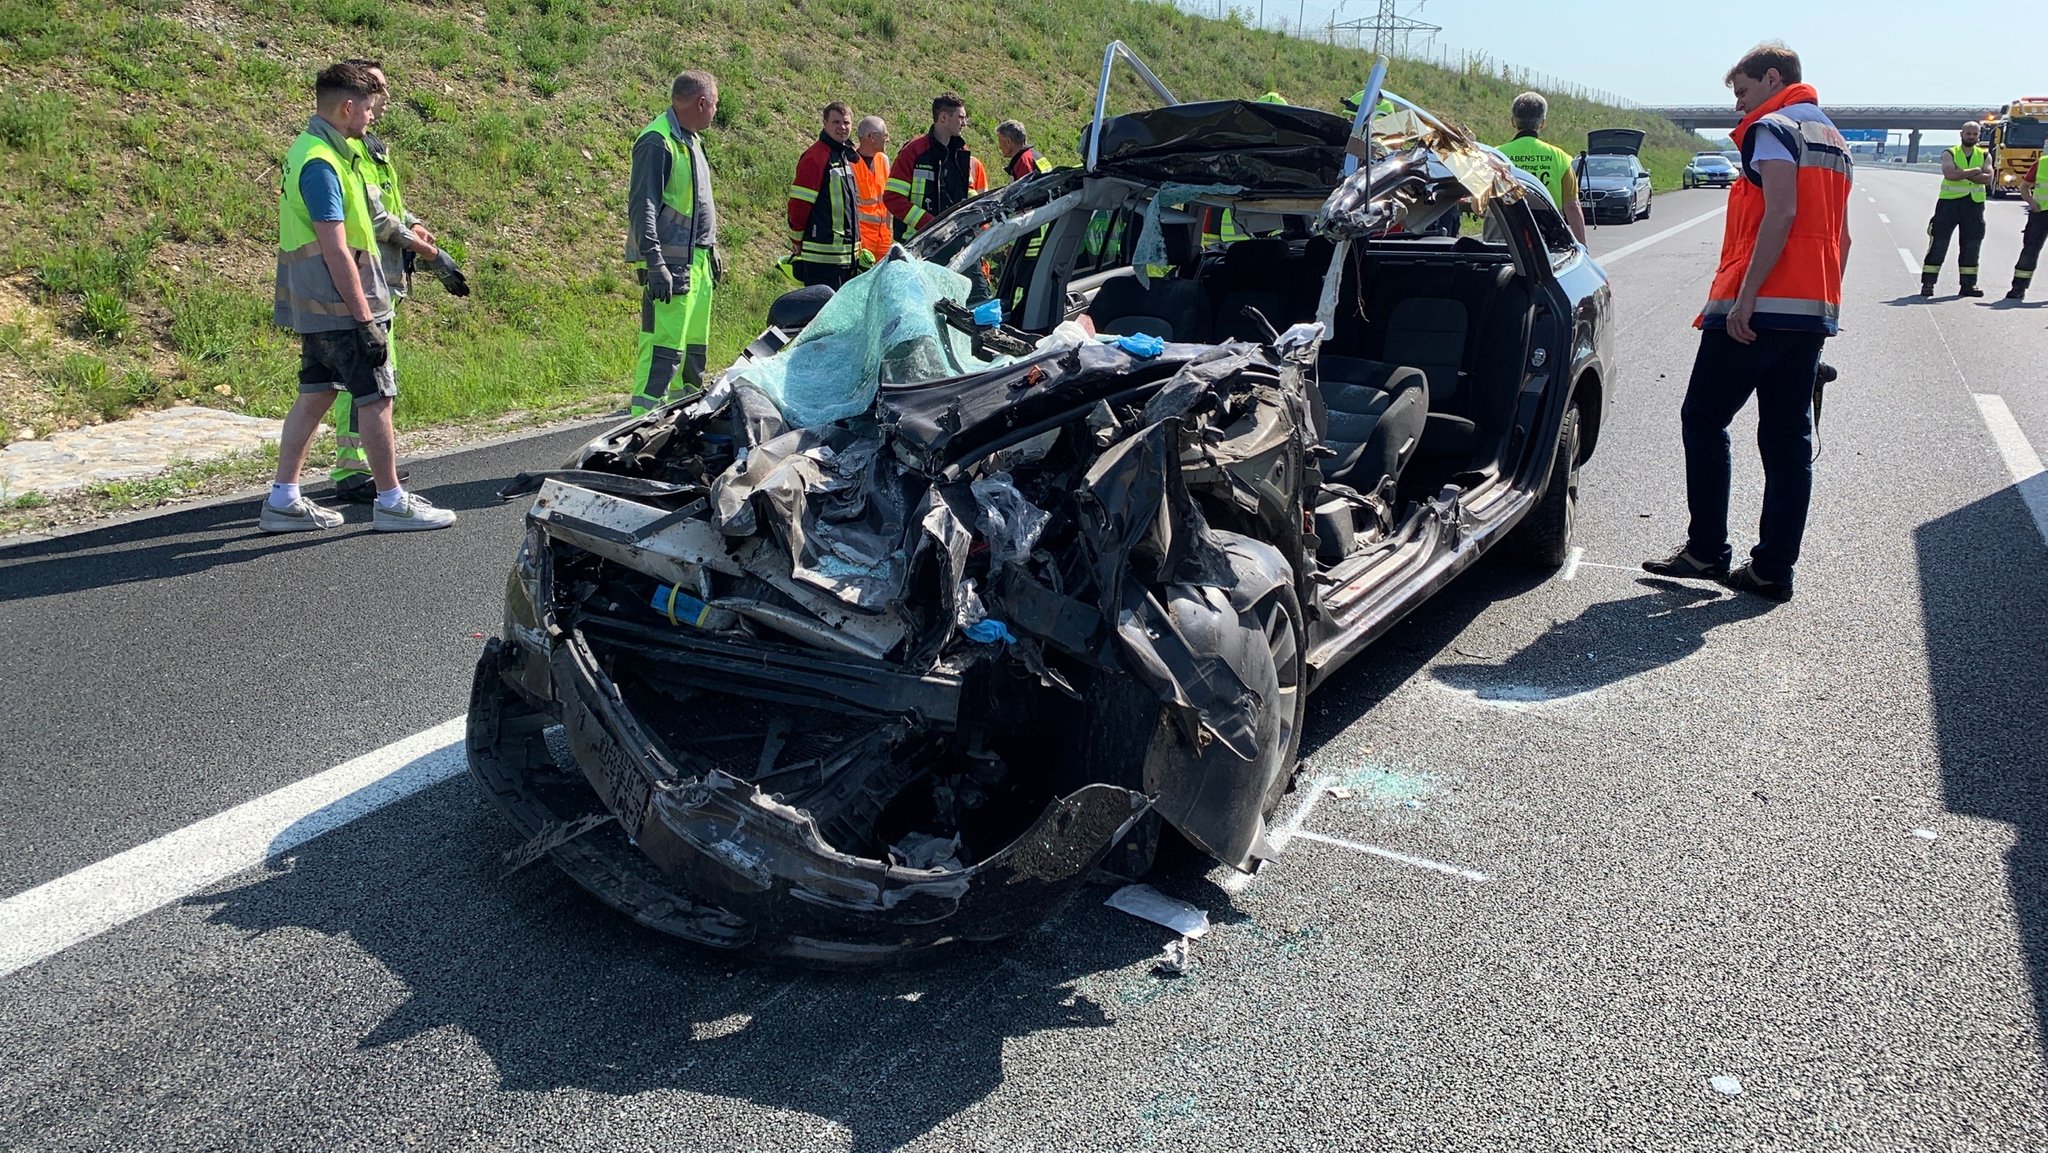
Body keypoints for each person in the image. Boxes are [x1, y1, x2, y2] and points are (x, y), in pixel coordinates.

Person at [1642, 41, 1851, 602]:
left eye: (1742, 92)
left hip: (1760, 307)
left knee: (1704, 418)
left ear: (1773, 78)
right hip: (1810, 311)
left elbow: (1780, 212)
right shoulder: (1832, 138)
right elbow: (1841, 236)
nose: (1738, 107)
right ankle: (1771, 570)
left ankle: (1707, 550)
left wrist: (1746, 298)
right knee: (1787, 441)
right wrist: (1826, 309)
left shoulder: (1775, 129)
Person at [260, 61, 454, 533]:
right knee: (375, 397)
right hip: (343, 303)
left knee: (317, 393)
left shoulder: (315, 150)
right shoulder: (323, 164)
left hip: (317, 303)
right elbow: (336, 246)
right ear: (348, 106)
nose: (373, 116)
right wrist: (365, 316)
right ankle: (391, 501)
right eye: (368, 107)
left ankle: (283, 498)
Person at [326, 59, 470, 504]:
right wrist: (425, 250)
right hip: (368, 275)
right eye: (374, 88)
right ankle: (352, 472)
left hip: (386, 275)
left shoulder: (372, 146)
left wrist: (417, 224)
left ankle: (365, 466)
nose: (382, 97)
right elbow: (374, 217)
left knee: (372, 377)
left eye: (382, 87)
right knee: (365, 380)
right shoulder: (349, 150)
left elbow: (392, 205)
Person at [626, 70, 721, 416]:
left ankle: (681, 424)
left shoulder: (691, 140)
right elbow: (643, 206)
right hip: (670, 268)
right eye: (714, 103)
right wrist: (655, 263)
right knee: (663, 352)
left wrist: (711, 249)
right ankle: (641, 427)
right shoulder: (658, 140)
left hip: (696, 264)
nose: (715, 110)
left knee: (692, 353)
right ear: (701, 102)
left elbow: (694, 204)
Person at [884, 93, 987, 240]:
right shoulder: (914, 151)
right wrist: (931, 225)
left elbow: (967, 190)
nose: (965, 123)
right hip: (917, 242)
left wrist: (979, 211)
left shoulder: (961, 151)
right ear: (944, 117)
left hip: (953, 239)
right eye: (961, 118)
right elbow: (893, 198)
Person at [1494, 91, 1587, 245]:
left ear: (1513, 121)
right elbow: (1572, 206)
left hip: (1502, 232)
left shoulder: (1495, 156)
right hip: (1547, 234)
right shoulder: (1559, 157)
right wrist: (1583, 247)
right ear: (1542, 123)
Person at [786, 101, 862, 289]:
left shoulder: (844, 155)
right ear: (824, 123)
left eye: (846, 122)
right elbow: (799, 205)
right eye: (836, 122)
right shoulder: (816, 157)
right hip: (823, 259)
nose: (842, 127)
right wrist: (797, 239)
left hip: (847, 258)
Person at [1921, 120, 1993, 298]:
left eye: (1975, 134)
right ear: (1961, 134)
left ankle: (1968, 285)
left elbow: (1988, 178)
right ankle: (1928, 284)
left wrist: (1964, 172)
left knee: (1971, 245)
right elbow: (1950, 175)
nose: (1971, 137)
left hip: (1974, 205)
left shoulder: (1985, 155)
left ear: (1978, 136)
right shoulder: (1950, 153)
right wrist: (1975, 171)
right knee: (1939, 243)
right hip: (1949, 205)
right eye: (1968, 133)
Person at [852, 115, 894, 265]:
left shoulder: (883, 159)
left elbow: (887, 198)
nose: (887, 140)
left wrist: (889, 232)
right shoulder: (850, 163)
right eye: (885, 135)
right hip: (861, 242)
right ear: (871, 137)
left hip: (884, 240)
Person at [2008, 154, 2046, 300]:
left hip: (2039, 215)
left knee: (2030, 250)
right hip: (2040, 214)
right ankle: (2018, 287)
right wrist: (2031, 202)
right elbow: (2024, 186)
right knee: (2030, 250)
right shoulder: (2042, 163)